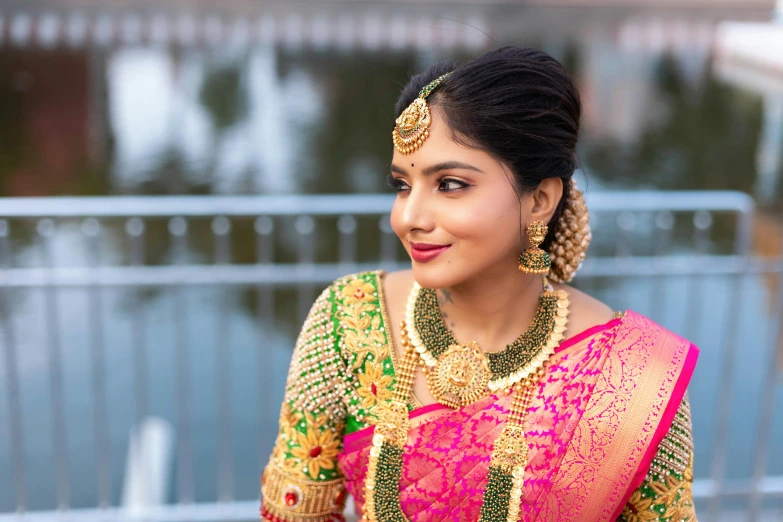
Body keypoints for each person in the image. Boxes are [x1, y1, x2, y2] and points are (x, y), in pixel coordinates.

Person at [259, 46, 699, 522]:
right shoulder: (349, 320)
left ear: (540, 200)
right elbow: (292, 512)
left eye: (449, 184)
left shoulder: (634, 375)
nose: (408, 218)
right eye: (402, 185)